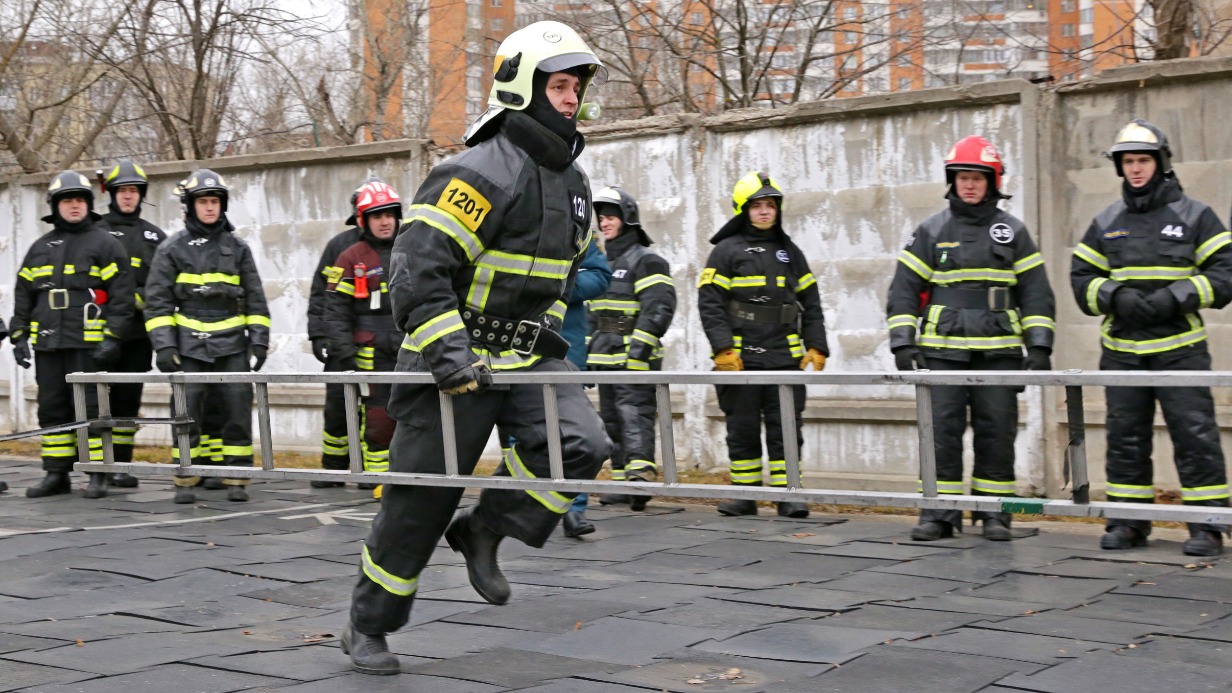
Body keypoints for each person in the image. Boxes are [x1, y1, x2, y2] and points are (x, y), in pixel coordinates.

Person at [342, 21, 611, 675]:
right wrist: (448, 351)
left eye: (576, 87)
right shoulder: (474, 169)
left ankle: (486, 527)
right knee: (418, 501)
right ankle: (367, 624)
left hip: (528, 355)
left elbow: (574, 270)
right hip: (455, 361)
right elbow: (417, 265)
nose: (571, 99)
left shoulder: (576, 184)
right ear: (524, 85)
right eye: (561, 85)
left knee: (583, 444)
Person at [1071, 119, 1231, 556]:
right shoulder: (1106, 221)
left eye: (1143, 160)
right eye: (1128, 162)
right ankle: (1127, 522)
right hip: (1122, 353)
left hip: (1181, 351)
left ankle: (1207, 525)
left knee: (1195, 435)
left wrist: (1175, 298)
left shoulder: (1196, 216)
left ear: (1160, 163)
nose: (1136, 169)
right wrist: (1115, 296)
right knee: (1125, 437)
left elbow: (1226, 272)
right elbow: (1081, 278)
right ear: (1119, 168)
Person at [887, 136, 1056, 542]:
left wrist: (1039, 345)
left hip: (998, 353)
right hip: (940, 353)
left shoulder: (1013, 232)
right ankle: (937, 514)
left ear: (993, 181)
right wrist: (902, 342)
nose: (969, 185)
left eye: (978, 178)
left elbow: (1035, 291)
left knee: (998, 433)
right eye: (962, 177)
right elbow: (904, 289)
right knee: (940, 433)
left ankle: (998, 514)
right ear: (952, 180)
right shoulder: (929, 231)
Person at [698, 172, 826, 519]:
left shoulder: (789, 252)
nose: (766, 211)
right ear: (743, 210)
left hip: (785, 357)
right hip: (740, 359)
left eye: (771, 205)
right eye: (758, 206)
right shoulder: (724, 252)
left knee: (786, 428)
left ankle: (790, 496)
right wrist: (723, 349)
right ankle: (745, 495)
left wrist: (817, 345)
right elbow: (710, 303)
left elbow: (811, 302)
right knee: (742, 428)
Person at [143, 169, 271, 505]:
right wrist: (165, 346)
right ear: (190, 205)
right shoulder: (172, 248)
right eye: (204, 201)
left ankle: (236, 477)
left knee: (237, 411)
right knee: (186, 414)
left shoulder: (237, 248)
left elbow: (255, 297)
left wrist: (259, 339)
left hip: (233, 345)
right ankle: (186, 476)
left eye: (215, 201)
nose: (210, 207)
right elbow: (157, 302)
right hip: (188, 347)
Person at [10, 171, 135, 498]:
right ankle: (56, 473)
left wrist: (113, 337)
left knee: (94, 410)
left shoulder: (105, 243)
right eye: (67, 200)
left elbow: (122, 296)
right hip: (49, 343)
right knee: (51, 409)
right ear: (55, 206)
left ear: (89, 204)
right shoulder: (40, 247)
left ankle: (98, 473)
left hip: (89, 344)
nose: (74, 205)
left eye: (80, 199)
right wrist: (19, 336)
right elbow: (24, 294)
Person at [587, 186, 676, 513]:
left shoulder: (647, 260)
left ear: (627, 219)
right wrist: (585, 356)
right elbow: (590, 314)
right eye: (601, 218)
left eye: (610, 217)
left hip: (634, 358)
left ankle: (640, 478)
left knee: (634, 415)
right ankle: (623, 481)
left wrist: (639, 349)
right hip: (605, 356)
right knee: (611, 419)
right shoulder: (600, 262)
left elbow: (659, 308)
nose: (604, 222)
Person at [322, 179, 405, 499]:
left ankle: (399, 473)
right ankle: (375, 477)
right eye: (376, 216)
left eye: (389, 215)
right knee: (375, 416)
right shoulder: (349, 257)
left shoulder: (409, 249)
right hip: (367, 352)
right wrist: (343, 349)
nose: (385, 221)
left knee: (404, 413)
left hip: (403, 348)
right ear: (363, 220)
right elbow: (335, 309)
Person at [93, 160, 167, 491]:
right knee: (97, 401)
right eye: (122, 190)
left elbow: (163, 284)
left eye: (133, 191)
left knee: (127, 400)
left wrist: (140, 300)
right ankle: (98, 466)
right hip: (98, 333)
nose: (128, 197)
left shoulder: (154, 236)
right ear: (111, 193)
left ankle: (121, 464)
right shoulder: (95, 232)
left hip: (138, 335)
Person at [307, 180, 375, 490]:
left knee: (372, 410)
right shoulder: (339, 247)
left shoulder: (390, 245)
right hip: (339, 341)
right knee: (337, 407)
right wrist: (318, 335)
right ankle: (332, 468)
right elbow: (321, 295)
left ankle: (365, 472)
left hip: (373, 343)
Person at [559, 236, 611, 537]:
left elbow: (599, 275)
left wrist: (561, 285)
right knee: (523, 438)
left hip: (565, 351)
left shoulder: (576, 231)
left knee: (575, 433)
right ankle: (525, 507)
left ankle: (575, 510)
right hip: (518, 350)